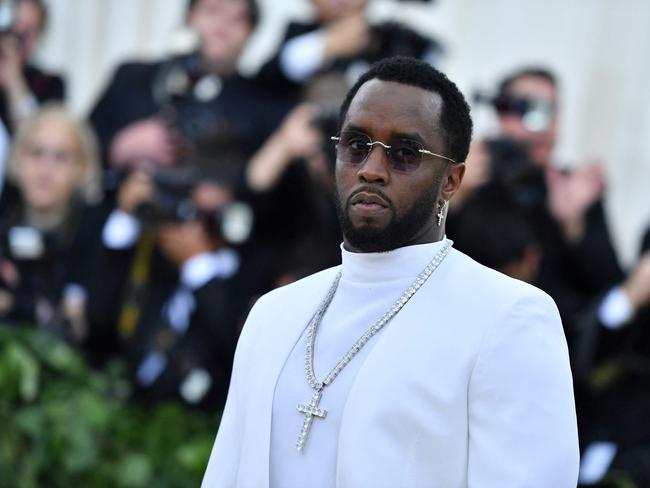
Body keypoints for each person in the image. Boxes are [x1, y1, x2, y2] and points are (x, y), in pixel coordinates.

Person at [202, 56, 579, 487]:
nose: (371, 170)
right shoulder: (273, 314)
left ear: (451, 180)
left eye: (404, 154)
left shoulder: (507, 317)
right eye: (356, 145)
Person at [89, 0, 292, 188]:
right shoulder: (134, 78)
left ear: (251, 33)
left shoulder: (260, 103)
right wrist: (121, 147)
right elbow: (77, 149)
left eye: (238, 19)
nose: (222, 26)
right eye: (213, 10)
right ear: (190, 15)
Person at [0, 104, 101, 342]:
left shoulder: (97, 236)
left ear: (82, 168)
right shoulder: (4, 219)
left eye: (61, 157)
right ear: (16, 158)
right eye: (36, 153)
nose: (45, 169)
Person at [0, 0, 65, 130]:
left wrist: (14, 81)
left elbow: (37, 140)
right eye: (14, 26)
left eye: (27, 32)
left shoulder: (50, 84)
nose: (16, 38)